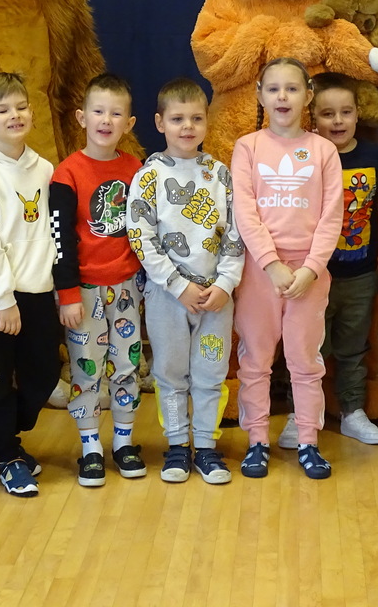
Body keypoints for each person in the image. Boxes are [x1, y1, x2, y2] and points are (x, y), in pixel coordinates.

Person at [0, 72, 74, 497]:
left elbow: (54, 232)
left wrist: (59, 288)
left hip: (40, 293)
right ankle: (7, 455)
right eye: (2, 109)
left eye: (21, 107)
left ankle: (1, 435)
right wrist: (3, 298)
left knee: (44, 374)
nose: (14, 115)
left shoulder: (44, 168)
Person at [128, 78, 244, 485]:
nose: (187, 127)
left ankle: (207, 447)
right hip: (168, 299)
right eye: (177, 119)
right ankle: (177, 444)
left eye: (196, 118)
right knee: (170, 372)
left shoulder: (220, 174)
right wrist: (178, 286)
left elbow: (237, 232)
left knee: (211, 372)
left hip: (216, 300)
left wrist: (226, 283)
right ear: (160, 123)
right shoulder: (149, 176)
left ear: (207, 122)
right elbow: (141, 237)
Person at [232, 57, 343, 480]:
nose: (283, 96)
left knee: (305, 361)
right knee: (255, 361)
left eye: (292, 88)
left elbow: (331, 217)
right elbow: (245, 213)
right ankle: (257, 440)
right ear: (260, 95)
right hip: (260, 273)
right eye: (274, 88)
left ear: (308, 96)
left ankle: (308, 442)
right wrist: (271, 264)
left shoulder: (323, 151)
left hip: (308, 277)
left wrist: (311, 269)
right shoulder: (248, 147)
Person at [51, 73, 145, 487]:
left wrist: (143, 281)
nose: (106, 120)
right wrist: (67, 293)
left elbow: (144, 230)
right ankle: (90, 447)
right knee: (86, 370)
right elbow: (60, 240)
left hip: (126, 287)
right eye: (99, 111)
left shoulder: (136, 169)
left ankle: (123, 442)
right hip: (84, 291)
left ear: (130, 123)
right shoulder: (67, 173)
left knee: (127, 364)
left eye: (116, 113)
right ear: (82, 117)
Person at [291, 71, 378, 447]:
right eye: (327, 113)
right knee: (308, 349)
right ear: (311, 116)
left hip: (359, 274)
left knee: (352, 348)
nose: (337, 121)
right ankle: (301, 416)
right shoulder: (303, 157)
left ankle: (352, 412)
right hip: (312, 276)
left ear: (357, 114)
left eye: (345, 112)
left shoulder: (374, 156)